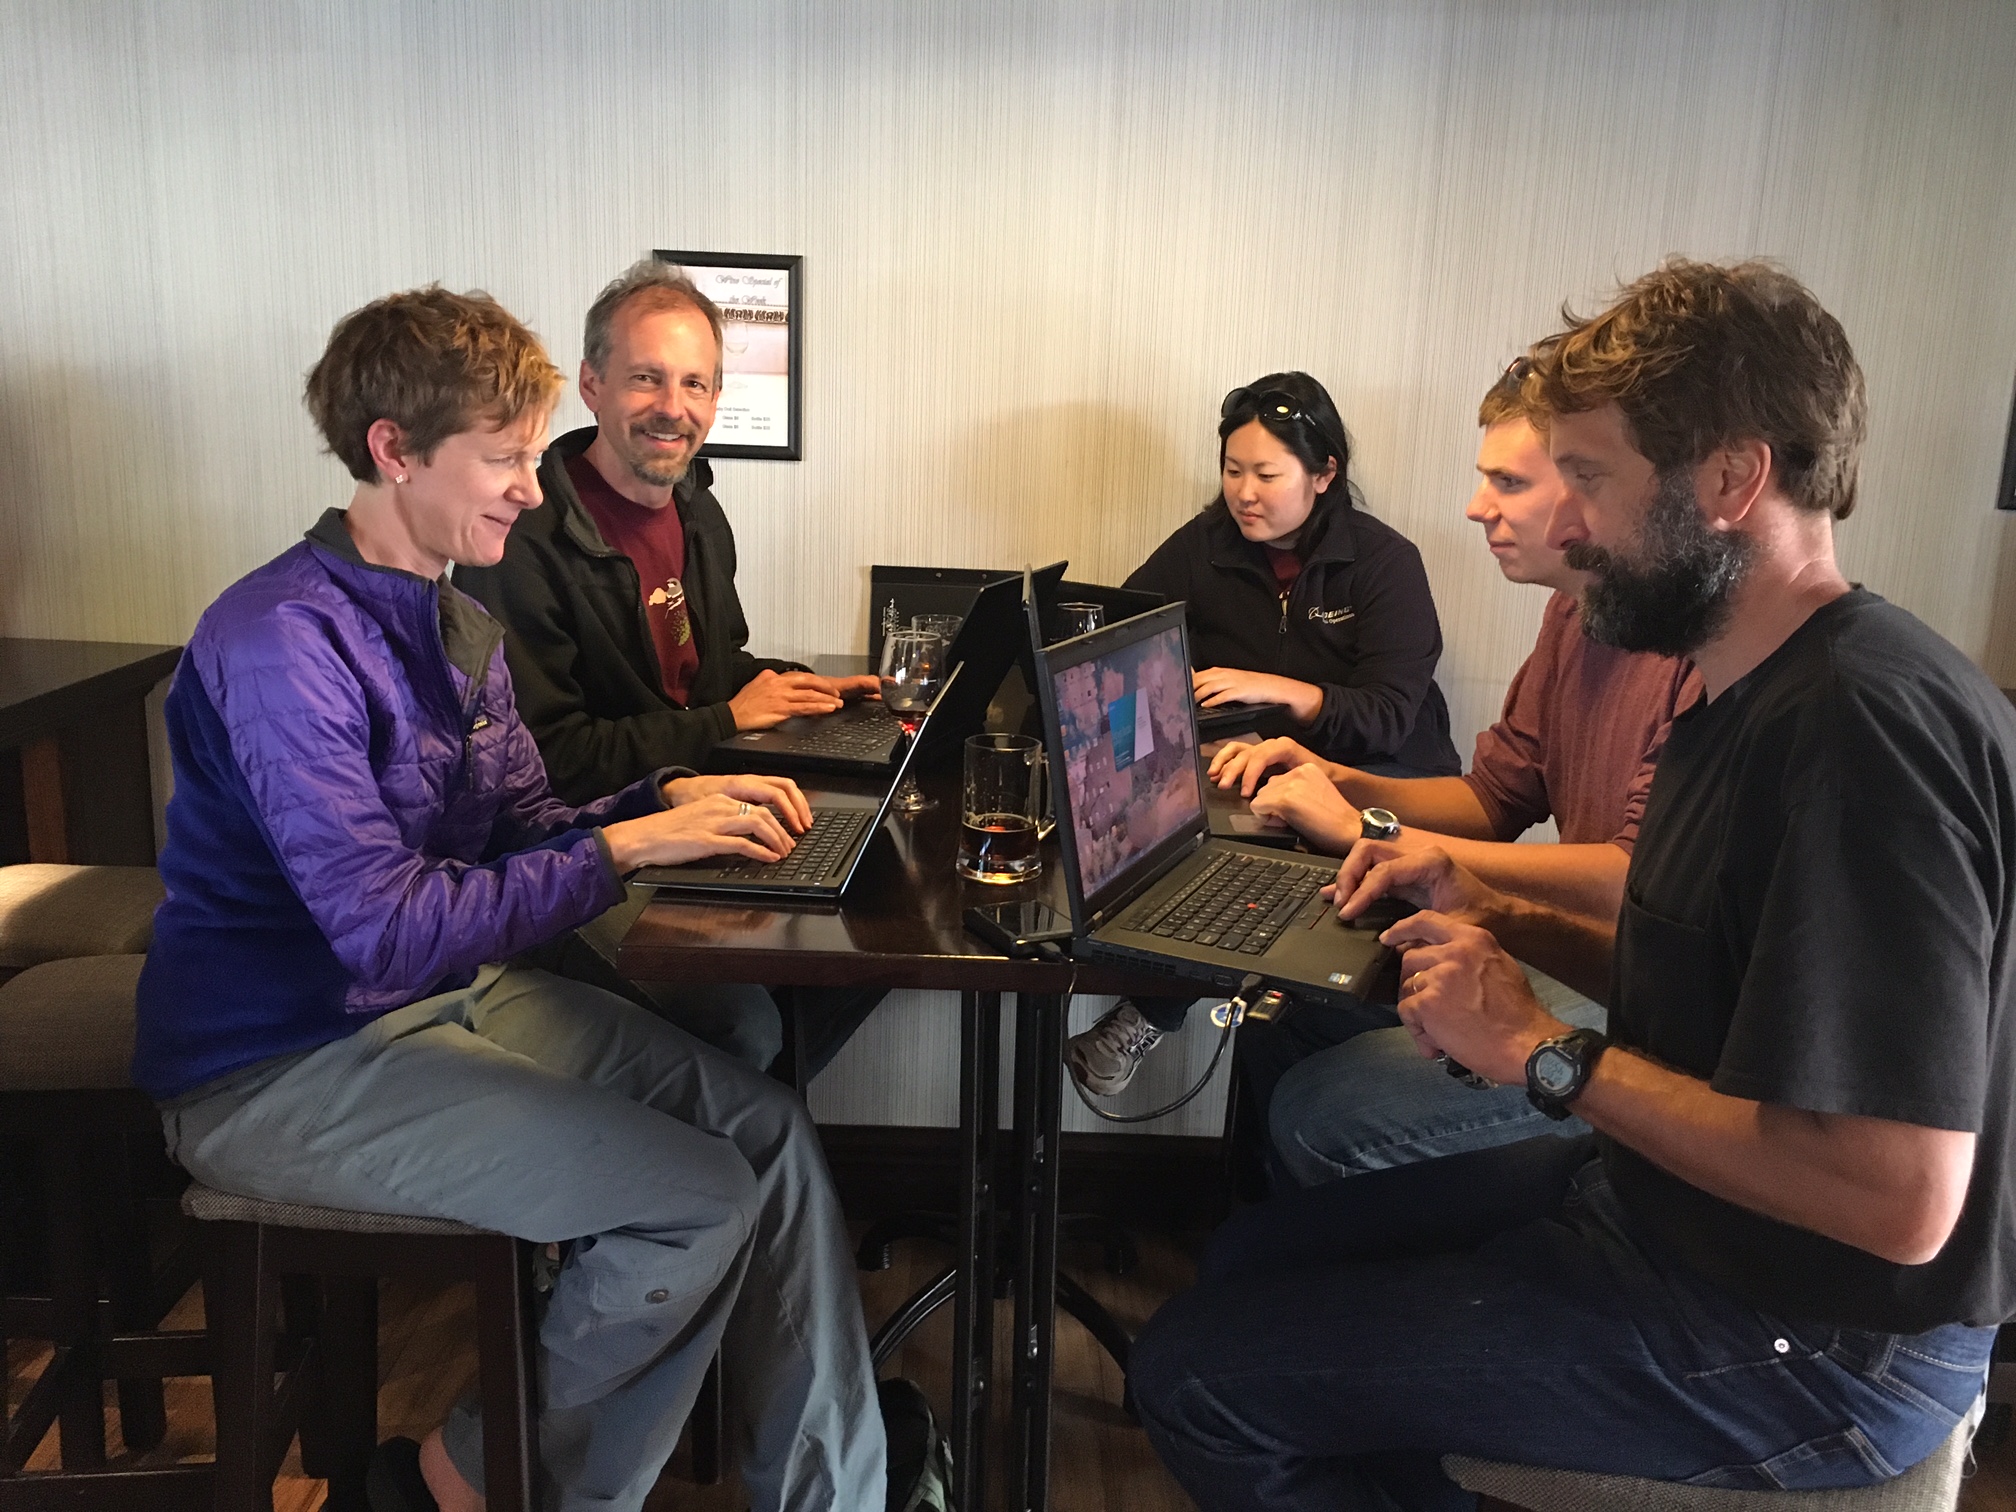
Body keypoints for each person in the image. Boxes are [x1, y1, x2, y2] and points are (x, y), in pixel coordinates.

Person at [1130, 259, 2012, 1510]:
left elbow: (1897, 1200)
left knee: (1195, 1376)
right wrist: (1494, 905)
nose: (1570, 523)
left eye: (1589, 480)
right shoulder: (1736, 685)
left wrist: (1547, 1052)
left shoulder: (1860, 732)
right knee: (1245, 1258)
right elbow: (1701, 972)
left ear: (1729, 482)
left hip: (1819, 1343)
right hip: (1669, 1217)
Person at [133, 287, 887, 1512]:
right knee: (692, 1203)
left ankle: (834, 1496)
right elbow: (377, 927)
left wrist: (672, 798)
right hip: (281, 1057)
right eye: (503, 459)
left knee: (771, 1135)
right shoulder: (278, 639)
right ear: (393, 449)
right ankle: (474, 1481)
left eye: (532, 456)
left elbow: (526, 826)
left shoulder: (458, 620)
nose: (532, 490)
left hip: (435, 1002)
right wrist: (626, 848)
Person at [1204, 359, 1700, 1183]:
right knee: (1282, 1011)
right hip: (1571, 939)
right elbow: (1493, 797)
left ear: (1593, 487)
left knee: (1327, 1111)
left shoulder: (1689, 654)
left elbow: (1630, 878)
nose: (1476, 507)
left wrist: (1376, 836)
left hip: (1638, 988)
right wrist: (1337, 777)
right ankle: (1270, 1269)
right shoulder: (1571, 613)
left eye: (1507, 481)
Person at [456, 258, 882, 1077]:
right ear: (591, 384)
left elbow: (710, 669)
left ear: (718, 398)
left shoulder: (697, 507)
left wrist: (803, 688)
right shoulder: (520, 539)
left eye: (696, 384)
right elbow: (549, 765)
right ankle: (730, 1163)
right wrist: (724, 722)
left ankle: (758, 1150)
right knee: (748, 1026)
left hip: (684, 808)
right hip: (578, 853)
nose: (673, 408)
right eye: (646, 378)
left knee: (870, 922)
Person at [1068, 373, 1461, 1094]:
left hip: (1391, 783)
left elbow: (1389, 715)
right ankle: (1155, 1007)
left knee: (1278, 881)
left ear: (1323, 474)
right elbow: (1122, 645)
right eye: (1232, 471)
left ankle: (1154, 1008)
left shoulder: (1384, 562)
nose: (1244, 493)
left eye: (1267, 474)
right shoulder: (1206, 545)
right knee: (1168, 825)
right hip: (1264, 776)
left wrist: (1279, 691)